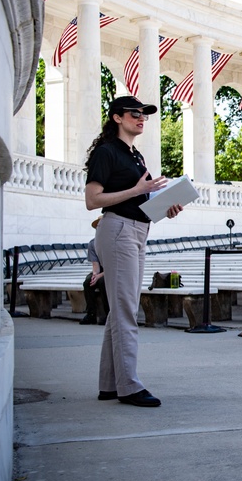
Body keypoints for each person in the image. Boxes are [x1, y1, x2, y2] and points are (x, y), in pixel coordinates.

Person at [85, 96, 184, 408]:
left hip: (137, 229)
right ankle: (129, 386)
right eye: (134, 114)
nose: (141, 118)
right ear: (117, 117)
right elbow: (93, 200)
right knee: (127, 308)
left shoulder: (136, 156)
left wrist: (164, 208)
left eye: (144, 115)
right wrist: (138, 190)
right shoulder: (107, 151)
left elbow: (139, 204)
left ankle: (109, 385)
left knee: (120, 308)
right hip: (118, 231)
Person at [79, 217, 108, 325]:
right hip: (101, 269)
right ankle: (91, 314)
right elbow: (95, 264)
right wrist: (95, 274)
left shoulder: (113, 242)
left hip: (113, 269)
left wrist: (100, 276)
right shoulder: (93, 243)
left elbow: (113, 266)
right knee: (88, 282)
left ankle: (108, 313)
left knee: (103, 282)